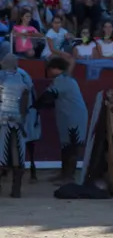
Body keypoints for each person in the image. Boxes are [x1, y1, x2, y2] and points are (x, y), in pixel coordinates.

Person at [32, 56, 88, 185]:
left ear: (55, 68)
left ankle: (68, 177)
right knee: (66, 146)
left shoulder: (61, 80)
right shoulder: (66, 80)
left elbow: (48, 96)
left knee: (71, 147)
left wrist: (34, 106)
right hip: (69, 116)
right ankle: (64, 174)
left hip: (73, 117)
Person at [0, 54, 32, 198]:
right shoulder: (23, 77)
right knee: (16, 152)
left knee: (1, 151)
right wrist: (23, 119)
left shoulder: (1, 76)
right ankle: (16, 190)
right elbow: (25, 100)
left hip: (2, 119)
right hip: (18, 120)